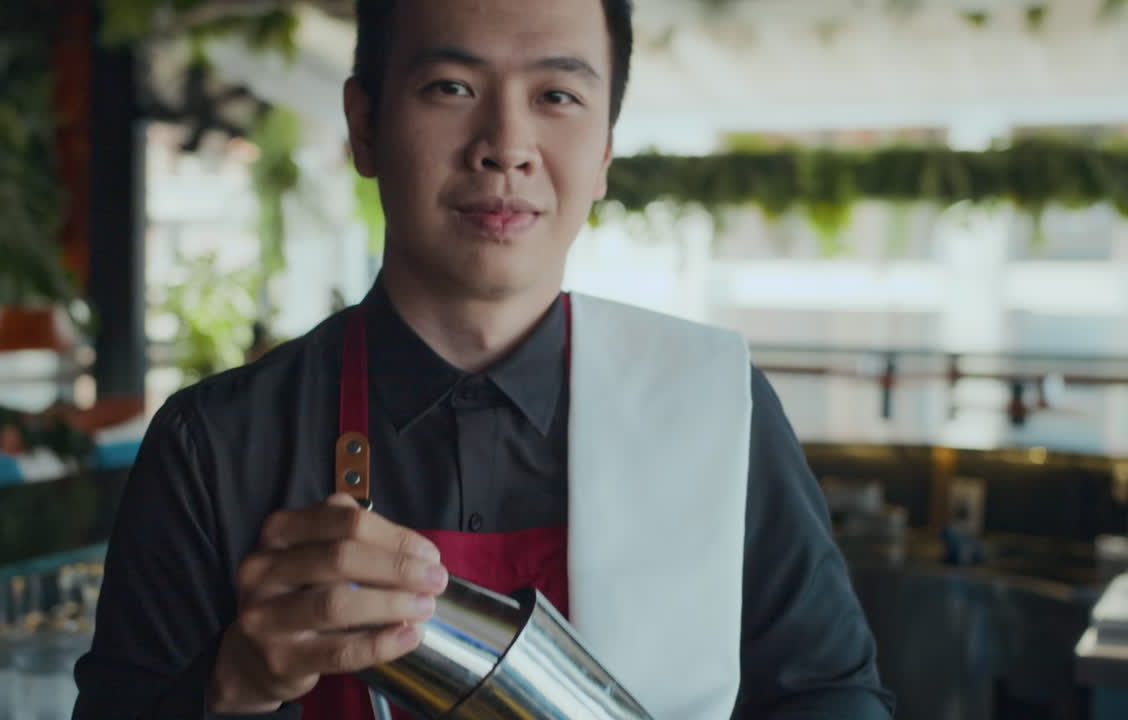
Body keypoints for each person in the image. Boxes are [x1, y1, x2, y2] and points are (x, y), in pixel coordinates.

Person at [73, 0, 896, 718]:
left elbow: (831, 693)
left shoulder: (714, 410)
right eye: (451, 87)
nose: (506, 146)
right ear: (365, 125)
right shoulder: (214, 443)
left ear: (605, 152)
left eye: (557, 96)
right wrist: (235, 683)